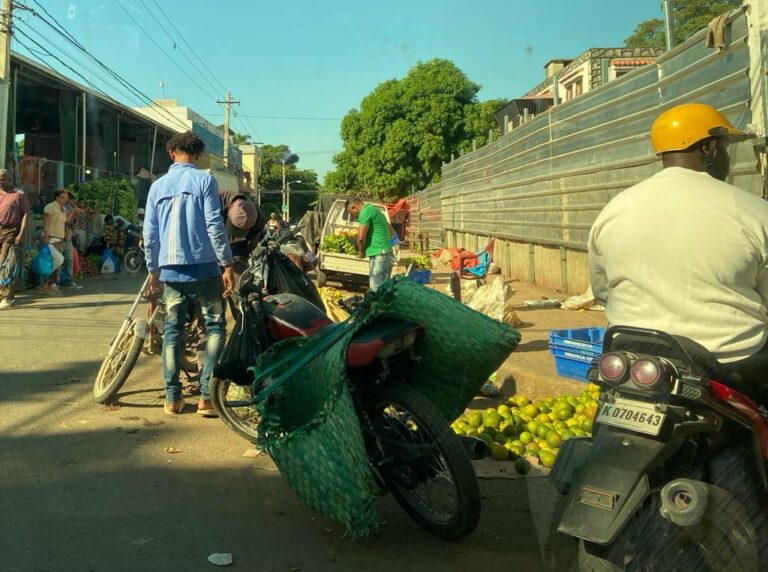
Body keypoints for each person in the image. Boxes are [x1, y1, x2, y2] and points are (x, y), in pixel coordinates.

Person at [589, 102, 768, 387]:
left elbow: (602, 292)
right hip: (730, 364)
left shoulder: (614, 210)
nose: (728, 158)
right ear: (709, 149)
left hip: (633, 358)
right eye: (726, 148)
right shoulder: (753, 211)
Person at [143, 131, 234, 417]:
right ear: (197, 155)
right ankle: (207, 397)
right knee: (215, 327)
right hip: (205, 268)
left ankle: (172, 399)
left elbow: (150, 233)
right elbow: (214, 225)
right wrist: (227, 264)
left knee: (172, 333)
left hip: (170, 271)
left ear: (172, 154)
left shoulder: (157, 186)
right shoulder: (205, 180)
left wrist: (153, 270)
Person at [344, 197, 395, 291]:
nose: (355, 216)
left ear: (354, 208)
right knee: (384, 288)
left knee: (377, 288)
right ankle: (383, 305)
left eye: (352, 214)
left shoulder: (365, 212)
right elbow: (391, 231)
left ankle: (378, 306)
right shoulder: (374, 210)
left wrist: (361, 252)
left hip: (379, 255)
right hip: (385, 253)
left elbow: (361, 237)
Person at [0, 169, 30, 309]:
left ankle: (8, 296)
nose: (0, 181)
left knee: (7, 264)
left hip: (12, 231)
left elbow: (25, 214)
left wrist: (20, 234)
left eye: (3, 178)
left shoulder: (19, 194)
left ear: (9, 179)